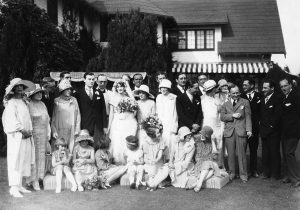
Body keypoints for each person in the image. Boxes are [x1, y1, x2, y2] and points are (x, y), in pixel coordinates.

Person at [2, 78, 36, 197]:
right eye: (17, 86)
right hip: (16, 136)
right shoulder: (11, 103)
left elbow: (27, 118)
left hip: (26, 135)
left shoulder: (23, 102)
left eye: (21, 86)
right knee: (15, 160)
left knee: (24, 159)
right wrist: (22, 130)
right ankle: (14, 188)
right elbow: (11, 120)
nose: (20, 88)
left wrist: (29, 131)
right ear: (13, 89)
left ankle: (20, 185)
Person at [220, 85, 252, 183]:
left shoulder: (245, 102)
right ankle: (232, 173)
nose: (235, 95)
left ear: (239, 92)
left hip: (241, 131)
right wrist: (232, 115)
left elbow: (248, 117)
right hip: (229, 132)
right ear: (229, 93)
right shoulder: (225, 104)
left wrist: (249, 130)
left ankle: (243, 175)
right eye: (233, 93)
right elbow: (222, 117)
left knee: (242, 155)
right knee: (230, 155)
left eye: (237, 92)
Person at [108, 80, 138, 165]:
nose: (119, 88)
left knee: (126, 141)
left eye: (121, 86)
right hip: (117, 122)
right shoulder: (113, 98)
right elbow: (111, 114)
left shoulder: (129, 98)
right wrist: (109, 127)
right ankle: (117, 162)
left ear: (125, 87)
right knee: (117, 142)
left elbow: (135, 111)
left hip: (127, 123)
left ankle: (128, 160)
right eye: (118, 87)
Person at [27, 84, 51, 190]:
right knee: (34, 157)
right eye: (38, 93)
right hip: (34, 135)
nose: (40, 94)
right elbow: (28, 122)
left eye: (41, 92)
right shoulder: (29, 105)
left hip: (44, 134)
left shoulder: (42, 104)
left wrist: (48, 132)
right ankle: (33, 180)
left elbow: (47, 120)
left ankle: (41, 178)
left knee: (43, 156)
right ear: (33, 94)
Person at [76, 72, 108, 147]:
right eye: (89, 79)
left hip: (97, 124)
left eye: (93, 79)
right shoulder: (78, 93)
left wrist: (105, 126)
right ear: (84, 80)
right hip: (84, 124)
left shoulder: (99, 92)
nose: (91, 81)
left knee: (97, 145)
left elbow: (103, 109)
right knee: (84, 146)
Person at [279, 78, 300, 188]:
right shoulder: (284, 97)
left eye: (285, 86)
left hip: (293, 131)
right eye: (281, 86)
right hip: (285, 132)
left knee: (289, 153)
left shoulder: (296, 96)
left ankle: (296, 178)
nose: (283, 88)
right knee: (286, 154)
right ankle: (288, 175)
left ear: (290, 85)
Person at [260, 79, 282, 180]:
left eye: (265, 88)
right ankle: (266, 173)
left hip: (274, 132)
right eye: (263, 87)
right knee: (265, 153)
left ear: (272, 88)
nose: (263, 89)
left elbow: (278, 116)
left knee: (274, 153)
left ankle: (275, 174)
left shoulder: (277, 98)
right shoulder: (263, 98)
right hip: (264, 132)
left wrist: (271, 127)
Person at [52, 80, 81, 153]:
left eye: (70, 89)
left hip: (72, 129)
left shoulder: (74, 100)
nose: (69, 91)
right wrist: (54, 130)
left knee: (71, 150)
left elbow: (78, 115)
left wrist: (77, 129)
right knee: (60, 150)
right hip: (60, 129)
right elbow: (53, 117)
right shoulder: (56, 101)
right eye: (67, 89)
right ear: (62, 90)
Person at [241, 78, 262, 178]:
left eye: (245, 85)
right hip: (243, 128)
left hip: (255, 129)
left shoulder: (260, 96)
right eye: (243, 85)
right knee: (242, 150)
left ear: (252, 86)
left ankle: (254, 170)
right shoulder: (240, 96)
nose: (243, 86)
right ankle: (243, 171)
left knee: (253, 150)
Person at [140, 116, 167, 191]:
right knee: (151, 169)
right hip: (148, 162)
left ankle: (152, 183)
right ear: (152, 135)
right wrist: (149, 161)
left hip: (158, 161)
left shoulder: (161, 140)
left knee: (163, 169)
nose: (159, 134)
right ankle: (152, 183)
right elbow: (145, 156)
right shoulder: (145, 142)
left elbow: (160, 154)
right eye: (158, 133)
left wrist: (156, 160)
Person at [193, 126, 223, 192]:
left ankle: (198, 183)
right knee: (209, 166)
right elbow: (197, 155)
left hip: (209, 160)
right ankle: (199, 184)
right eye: (202, 134)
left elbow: (214, 155)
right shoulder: (197, 138)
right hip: (200, 160)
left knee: (212, 169)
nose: (203, 136)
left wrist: (213, 141)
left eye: (205, 135)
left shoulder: (210, 140)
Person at [201, 80, 223, 163]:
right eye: (215, 88)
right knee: (208, 148)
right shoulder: (202, 99)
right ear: (213, 89)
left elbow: (219, 113)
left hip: (217, 126)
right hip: (206, 127)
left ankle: (219, 167)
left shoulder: (217, 99)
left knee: (218, 148)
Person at [156, 79, 178, 158]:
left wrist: (174, 125)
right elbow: (157, 110)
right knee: (161, 138)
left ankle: (170, 158)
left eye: (165, 88)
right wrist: (157, 122)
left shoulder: (174, 97)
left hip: (170, 121)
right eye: (162, 88)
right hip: (160, 121)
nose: (163, 89)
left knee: (170, 140)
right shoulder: (158, 97)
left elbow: (175, 112)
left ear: (168, 88)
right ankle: (161, 157)